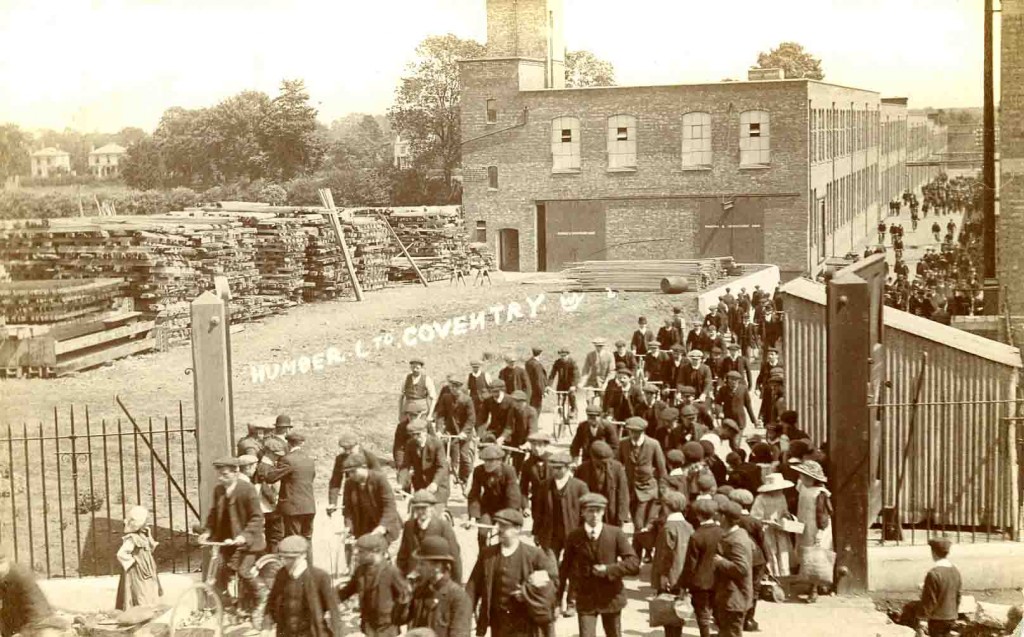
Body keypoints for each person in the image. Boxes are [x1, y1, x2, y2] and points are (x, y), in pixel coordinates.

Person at [465, 509, 559, 637]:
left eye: (505, 526)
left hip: (525, 623)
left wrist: (527, 593)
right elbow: (473, 586)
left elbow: (552, 585)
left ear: (518, 529)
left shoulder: (534, 555)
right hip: (498, 623)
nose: (500, 530)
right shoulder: (488, 555)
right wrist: (464, 615)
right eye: (498, 525)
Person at [561, 493, 640, 637]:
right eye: (590, 511)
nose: (595, 515)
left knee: (613, 634)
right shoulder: (574, 536)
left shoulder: (615, 534)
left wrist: (609, 569)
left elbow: (634, 563)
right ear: (582, 512)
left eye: (599, 510)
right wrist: (557, 598)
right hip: (586, 598)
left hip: (611, 597)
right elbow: (565, 568)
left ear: (604, 512)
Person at [199, 456, 265, 614]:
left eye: (225, 474)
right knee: (221, 571)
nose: (221, 478)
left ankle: (263, 596)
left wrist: (244, 536)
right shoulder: (219, 490)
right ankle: (233, 605)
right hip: (228, 542)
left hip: (249, 543)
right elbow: (214, 514)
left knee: (244, 571)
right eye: (219, 474)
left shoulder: (247, 489)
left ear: (236, 472)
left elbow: (257, 517)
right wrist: (208, 532)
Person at [532, 450, 588, 617]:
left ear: (567, 468)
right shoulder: (545, 485)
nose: (555, 471)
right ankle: (554, 602)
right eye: (553, 468)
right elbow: (538, 511)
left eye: (559, 468)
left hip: (573, 535)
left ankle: (572, 602)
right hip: (550, 534)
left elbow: (585, 512)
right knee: (552, 570)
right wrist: (536, 531)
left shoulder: (579, 486)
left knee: (574, 569)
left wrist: (583, 533)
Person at [264, 535, 342, 637]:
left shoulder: (320, 576)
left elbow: (334, 611)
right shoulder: (281, 574)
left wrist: (337, 634)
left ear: (303, 555)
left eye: (291, 558)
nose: (285, 562)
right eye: (283, 558)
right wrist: (266, 624)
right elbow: (272, 601)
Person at [337, 533, 411, 637]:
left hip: (387, 628)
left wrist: (397, 618)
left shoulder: (391, 572)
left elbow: (405, 596)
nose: (356, 554)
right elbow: (346, 592)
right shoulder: (360, 571)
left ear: (375, 552)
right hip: (369, 626)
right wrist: (325, 601)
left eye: (361, 551)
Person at [618, 417, 668, 561]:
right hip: (631, 490)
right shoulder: (624, 444)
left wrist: (662, 491)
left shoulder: (653, 444)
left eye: (637, 432)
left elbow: (662, 469)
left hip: (648, 489)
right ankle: (647, 550)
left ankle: (635, 556)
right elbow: (617, 463)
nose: (634, 434)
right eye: (631, 431)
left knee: (640, 524)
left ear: (643, 431)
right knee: (639, 523)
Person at [407, 536, 473, 637]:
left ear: (437, 566)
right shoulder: (420, 591)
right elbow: (397, 620)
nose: (417, 568)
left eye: (422, 564)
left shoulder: (458, 598)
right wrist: (405, 596)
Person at [262, 432, 316, 551]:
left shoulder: (287, 460)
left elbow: (270, 478)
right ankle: (309, 568)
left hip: (293, 508)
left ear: (288, 444)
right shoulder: (310, 460)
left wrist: (266, 464)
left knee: (294, 542)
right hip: (309, 506)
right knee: (307, 540)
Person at [650, 490, 693, 637]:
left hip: (670, 575)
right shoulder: (688, 526)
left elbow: (665, 555)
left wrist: (663, 576)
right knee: (678, 611)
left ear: (667, 507)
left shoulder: (668, 528)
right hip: (683, 575)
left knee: (667, 612)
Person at [396, 490, 463, 584]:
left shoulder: (443, 527)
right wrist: (400, 579)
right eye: (417, 508)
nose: (420, 512)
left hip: (436, 580)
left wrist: (457, 583)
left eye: (424, 508)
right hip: (414, 580)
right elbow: (402, 556)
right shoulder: (409, 526)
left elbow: (454, 556)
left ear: (432, 508)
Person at [680, 499, 724, 637]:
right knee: (719, 610)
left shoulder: (696, 536)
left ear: (698, 515)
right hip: (719, 579)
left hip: (701, 582)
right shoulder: (722, 532)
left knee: (703, 614)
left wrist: (684, 585)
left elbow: (690, 564)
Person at [465, 445, 522, 549]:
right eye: (485, 461)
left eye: (491, 461)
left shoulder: (509, 471)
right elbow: (474, 494)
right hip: (488, 507)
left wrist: (507, 518)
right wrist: (473, 516)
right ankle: (482, 558)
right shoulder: (479, 471)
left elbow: (513, 496)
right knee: (482, 534)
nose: (487, 464)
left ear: (499, 461)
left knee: (505, 535)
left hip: (506, 507)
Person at [792, 460, 832, 603]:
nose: (801, 478)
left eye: (804, 476)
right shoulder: (803, 487)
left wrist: (820, 531)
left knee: (815, 556)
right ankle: (809, 581)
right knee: (805, 553)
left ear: (812, 478)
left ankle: (814, 588)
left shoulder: (820, 493)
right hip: (804, 525)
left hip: (816, 527)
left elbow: (823, 515)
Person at [730, 489, 769, 632]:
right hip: (756, 559)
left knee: (738, 587)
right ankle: (749, 619)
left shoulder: (733, 520)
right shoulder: (755, 522)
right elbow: (762, 542)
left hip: (738, 557)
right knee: (754, 589)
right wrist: (767, 559)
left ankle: (737, 618)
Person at [342, 455, 403, 545]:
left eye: (354, 471)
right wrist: (348, 526)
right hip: (364, 530)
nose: (351, 475)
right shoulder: (349, 484)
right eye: (348, 473)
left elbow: (390, 506)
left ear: (364, 467)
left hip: (386, 529)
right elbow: (348, 509)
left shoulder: (379, 479)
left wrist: (383, 526)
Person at [0, 552, 65, 637]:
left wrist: (23, 633)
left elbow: (38, 614)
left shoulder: (18, 576)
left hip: (38, 627)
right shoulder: (7, 577)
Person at [714, 501, 754, 637]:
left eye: (718, 514)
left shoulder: (737, 540)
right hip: (729, 596)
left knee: (732, 633)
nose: (716, 516)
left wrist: (720, 561)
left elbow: (741, 569)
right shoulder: (736, 534)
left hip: (735, 598)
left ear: (724, 517)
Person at [399, 419, 450, 516]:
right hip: (420, 486)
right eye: (413, 435)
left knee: (435, 516)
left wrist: (435, 483)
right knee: (415, 516)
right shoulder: (410, 444)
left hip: (438, 487)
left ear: (425, 432)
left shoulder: (437, 444)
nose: (416, 438)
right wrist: (400, 483)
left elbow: (442, 467)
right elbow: (405, 466)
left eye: (418, 434)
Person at [575, 441, 632, 528]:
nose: (606, 464)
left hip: (611, 513)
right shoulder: (582, 470)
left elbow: (623, 493)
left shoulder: (617, 468)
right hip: (590, 513)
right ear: (593, 458)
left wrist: (622, 516)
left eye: (607, 461)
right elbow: (577, 495)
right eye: (602, 461)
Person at [115, 505, 161, 610]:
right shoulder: (132, 539)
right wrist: (134, 562)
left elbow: (150, 549)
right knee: (141, 591)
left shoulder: (143, 537)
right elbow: (121, 554)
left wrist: (149, 536)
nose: (148, 524)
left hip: (147, 570)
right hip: (138, 571)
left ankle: (149, 610)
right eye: (146, 522)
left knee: (149, 588)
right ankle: (141, 612)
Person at [915, 538, 962, 637]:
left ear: (933, 552)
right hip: (951, 616)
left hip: (937, 618)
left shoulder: (933, 574)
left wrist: (922, 618)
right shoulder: (955, 571)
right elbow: (958, 595)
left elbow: (930, 600)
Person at [433, 378, 476, 486]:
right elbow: (441, 414)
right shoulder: (445, 397)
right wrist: (439, 430)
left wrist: (464, 432)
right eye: (451, 387)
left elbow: (471, 418)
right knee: (447, 451)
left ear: (460, 388)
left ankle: (466, 478)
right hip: (450, 430)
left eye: (455, 387)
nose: (453, 389)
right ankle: (445, 476)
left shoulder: (467, 400)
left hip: (464, 432)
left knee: (463, 455)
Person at [256, 437, 287, 553]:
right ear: (268, 452)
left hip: (267, 506)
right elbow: (265, 487)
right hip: (269, 507)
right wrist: (274, 501)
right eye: (275, 454)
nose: (278, 457)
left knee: (272, 536)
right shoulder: (265, 467)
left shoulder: (266, 465)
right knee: (276, 535)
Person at [520, 432, 553, 510]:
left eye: (540, 445)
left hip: (553, 503)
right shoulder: (527, 464)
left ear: (545, 445)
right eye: (534, 445)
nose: (536, 448)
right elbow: (523, 488)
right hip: (537, 503)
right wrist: (526, 507)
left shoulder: (554, 460)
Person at [548, 346, 580, 421]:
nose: (563, 357)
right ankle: (560, 414)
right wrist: (549, 385)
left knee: (572, 396)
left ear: (568, 355)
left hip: (571, 385)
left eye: (564, 356)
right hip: (561, 385)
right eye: (561, 356)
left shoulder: (572, 362)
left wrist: (573, 385)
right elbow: (552, 374)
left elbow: (576, 375)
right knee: (560, 400)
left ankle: (573, 410)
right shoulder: (558, 362)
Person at [525, 347, 547, 412]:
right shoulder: (537, 365)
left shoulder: (528, 363)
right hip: (537, 391)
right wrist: (542, 392)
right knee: (537, 408)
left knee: (530, 407)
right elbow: (539, 379)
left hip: (529, 389)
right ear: (540, 355)